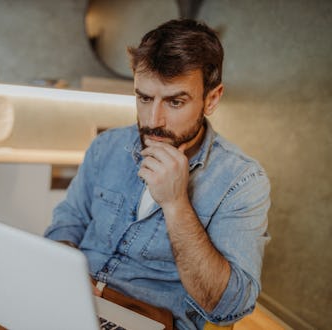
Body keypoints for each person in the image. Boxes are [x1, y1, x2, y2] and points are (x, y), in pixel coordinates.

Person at [44, 19, 270, 330]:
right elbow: (70, 219)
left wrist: (176, 203)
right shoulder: (106, 146)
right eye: (144, 98)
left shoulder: (242, 181)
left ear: (212, 99)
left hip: (147, 319)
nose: (153, 121)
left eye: (175, 102)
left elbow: (228, 307)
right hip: (75, 299)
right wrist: (61, 267)